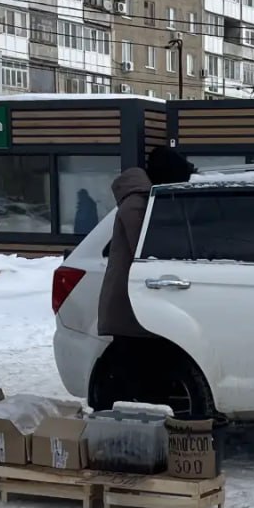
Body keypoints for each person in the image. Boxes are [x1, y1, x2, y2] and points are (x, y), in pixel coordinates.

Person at [97, 149, 195, 402]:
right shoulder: (138, 203)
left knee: (140, 377)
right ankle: (128, 434)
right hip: (131, 308)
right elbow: (149, 247)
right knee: (136, 382)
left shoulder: (145, 200)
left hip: (139, 306)